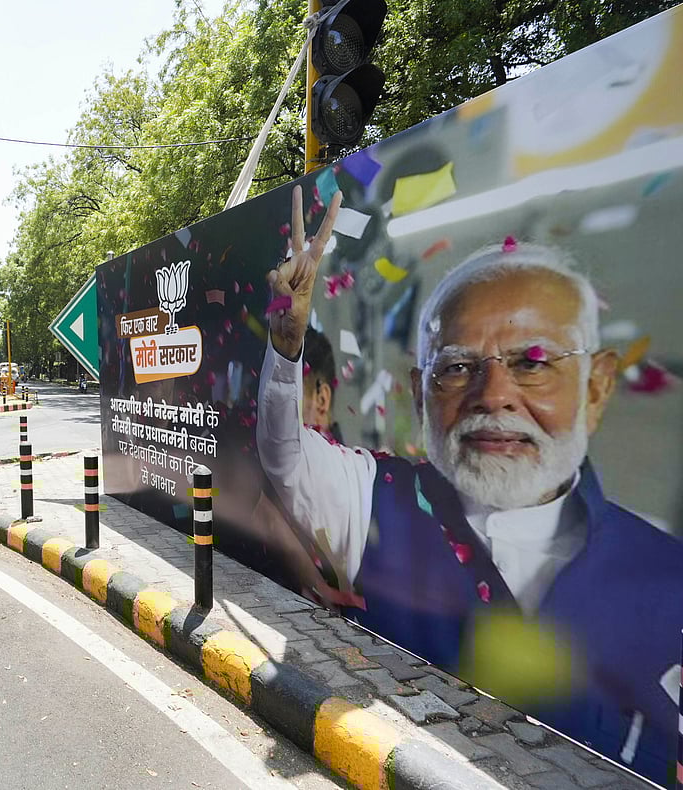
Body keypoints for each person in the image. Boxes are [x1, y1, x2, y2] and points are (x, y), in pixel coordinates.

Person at [255, 186, 683, 782]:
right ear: (420, 393)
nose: (494, 395)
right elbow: (286, 456)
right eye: (457, 367)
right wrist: (286, 347)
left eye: (533, 362)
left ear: (596, 387)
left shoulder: (667, 577)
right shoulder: (376, 497)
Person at [252, 327, 350, 607]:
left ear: (321, 400)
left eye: (287, 397)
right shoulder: (271, 460)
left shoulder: (347, 481)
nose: (271, 413)